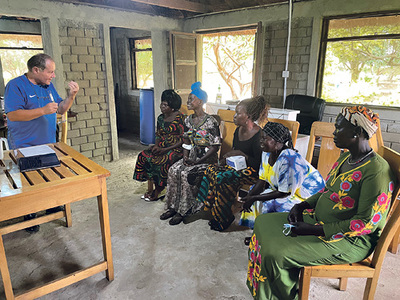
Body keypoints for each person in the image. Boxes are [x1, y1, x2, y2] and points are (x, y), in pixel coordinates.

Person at [246, 106, 395, 300]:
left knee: (276, 252)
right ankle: (270, 292)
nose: (333, 132)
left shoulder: (377, 172)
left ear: (358, 132)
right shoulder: (346, 158)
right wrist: (301, 206)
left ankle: (280, 296)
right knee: (263, 223)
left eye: (339, 128)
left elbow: (365, 224)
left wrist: (312, 230)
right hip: (319, 219)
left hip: (349, 240)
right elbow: (327, 190)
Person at [4, 53, 79, 232]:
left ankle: (51, 206)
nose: (53, 76)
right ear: (36, 70)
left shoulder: (47, 86)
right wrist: (42, 110)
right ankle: (30, 214)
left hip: (48, 143)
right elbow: (13, 114)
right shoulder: (15, 86)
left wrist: (71, 96)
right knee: (29, 181)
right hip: (24, 145)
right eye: (50, 72)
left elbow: (60, 109)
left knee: (50, 178)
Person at [196, 95, 268, 231]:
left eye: (238, 113)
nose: (234, 116)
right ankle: (210, 208)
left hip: (254, 171)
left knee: (223, 178)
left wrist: (243, 155)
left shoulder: (259, 135)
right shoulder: (238, 130)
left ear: (249, 116)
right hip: (238, 166)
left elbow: (260, 165)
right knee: (211, 170)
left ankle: (224, 218)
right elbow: (235, 150)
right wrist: (225, 159)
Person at [239, 122, 325, 231]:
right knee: (253, 192)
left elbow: (284, 193)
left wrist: (253, 198)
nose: (261, 141)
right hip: (286, 191)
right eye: (261, 137)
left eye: (265, 138)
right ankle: (257, 232)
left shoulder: (289, 158)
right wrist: (249, 197)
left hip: (307, 199)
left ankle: (270, 235)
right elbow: (261, 180)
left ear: (278, 142)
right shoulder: (266, 153)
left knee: (271, 203)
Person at [160, 82, 221, 225]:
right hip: (192, 156)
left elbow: (215, 147)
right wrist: (186, 157)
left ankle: (184, 211)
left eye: (191, 99)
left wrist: (198, 162)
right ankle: (173, 207)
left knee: (185, 174)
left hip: (207, 159)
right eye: (188, 99)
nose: (187, 102)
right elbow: (186, 140)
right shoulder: (188, 120)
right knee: (173, 170)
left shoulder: (211, 122)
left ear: (200, 102)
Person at [133, 89, 185, 201]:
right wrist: (156, 146)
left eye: (165, 105)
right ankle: (154, 185)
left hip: (175, 148)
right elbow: (158, 135)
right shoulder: (160, 118)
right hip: (162, 146)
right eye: (162, 103)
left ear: (172, 107)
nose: (162, 106)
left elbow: (183, 139)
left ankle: (158, 190)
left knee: (164, 160)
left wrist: (166, 149)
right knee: (143, 155)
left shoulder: (180, 117)